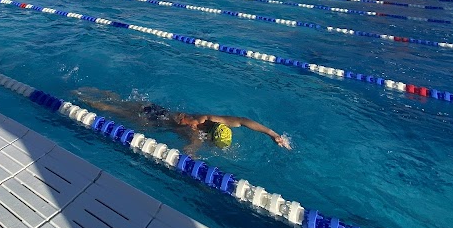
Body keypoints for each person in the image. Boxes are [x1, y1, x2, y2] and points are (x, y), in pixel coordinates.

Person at [75, 88, 291, 151]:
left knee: (120, 101)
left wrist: (272, 134)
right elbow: (190, 148)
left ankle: (89, 92)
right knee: (113, 111)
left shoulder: (212, 118)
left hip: (157, 109)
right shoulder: (196, 132)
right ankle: (83, 99)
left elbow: (244, 120)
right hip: (152, 120)